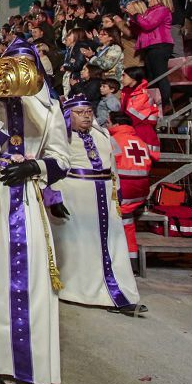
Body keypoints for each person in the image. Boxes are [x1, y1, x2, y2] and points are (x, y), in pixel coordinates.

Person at [0, 39, 70, 384]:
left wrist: (35, 165)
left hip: (26, 200)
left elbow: (61, 158)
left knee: (31, 280)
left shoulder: (48, 108)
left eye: (29, 64)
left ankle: (29, 362)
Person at [48, 96, 143, 315]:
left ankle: (120, 293)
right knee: (80, 249)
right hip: (75, 199)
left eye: (89, 111)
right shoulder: (60, 137)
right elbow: (53, 168)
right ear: (67, 116)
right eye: (80, 112)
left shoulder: (103, 135)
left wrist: (116, 194)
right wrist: (53, 197)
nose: (87, 116)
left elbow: (114, 168)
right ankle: (80, 291)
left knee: (112, 247)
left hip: (104, 198)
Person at [108, 112, 154, 268]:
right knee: (126, 221)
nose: (107, 125)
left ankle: (128, 262)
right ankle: (130, 260)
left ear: (116, 124)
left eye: (108, 122)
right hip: (141, 191)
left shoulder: (113, 141)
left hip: (125, 190)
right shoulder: (140, 141)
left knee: (125, 224)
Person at [130, 0, 175, 113]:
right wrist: (132, 17)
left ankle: (166, 103)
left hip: (160, 45)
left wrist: (136, 15)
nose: (148, 0)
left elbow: (148, 25)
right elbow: (138, 29)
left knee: (160, 75)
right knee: (152, 77)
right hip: (150, 46)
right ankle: (156, 103)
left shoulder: (162, 10)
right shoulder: (149, 12)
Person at [120, 67, 161, 157]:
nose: (121, 78)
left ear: (133, 78)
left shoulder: (143, 95)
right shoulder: (126, 92)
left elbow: (133, 117)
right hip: (131, 129)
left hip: (142, 132)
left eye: (124, 76)